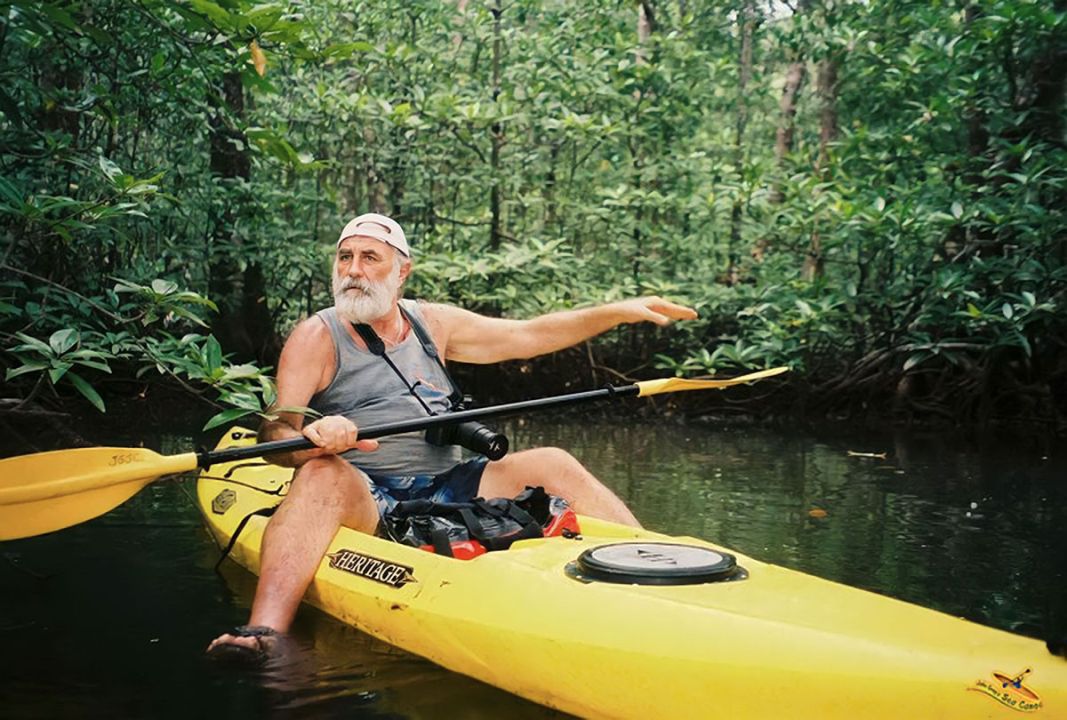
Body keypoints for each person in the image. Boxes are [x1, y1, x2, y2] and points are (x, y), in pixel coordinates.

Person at [207, 212, 697, 657]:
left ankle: (656, 564)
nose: (353, 269)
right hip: (365, 492)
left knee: (553, 462)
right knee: (319, 476)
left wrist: (615, 311)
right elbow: (275, 431)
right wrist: (313, 435)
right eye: (345, 257)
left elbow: (527, 335)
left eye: (370, 258)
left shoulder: (433, 323)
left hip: (448, 485)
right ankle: (263, 634)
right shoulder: (316, 336)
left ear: (401, 272)